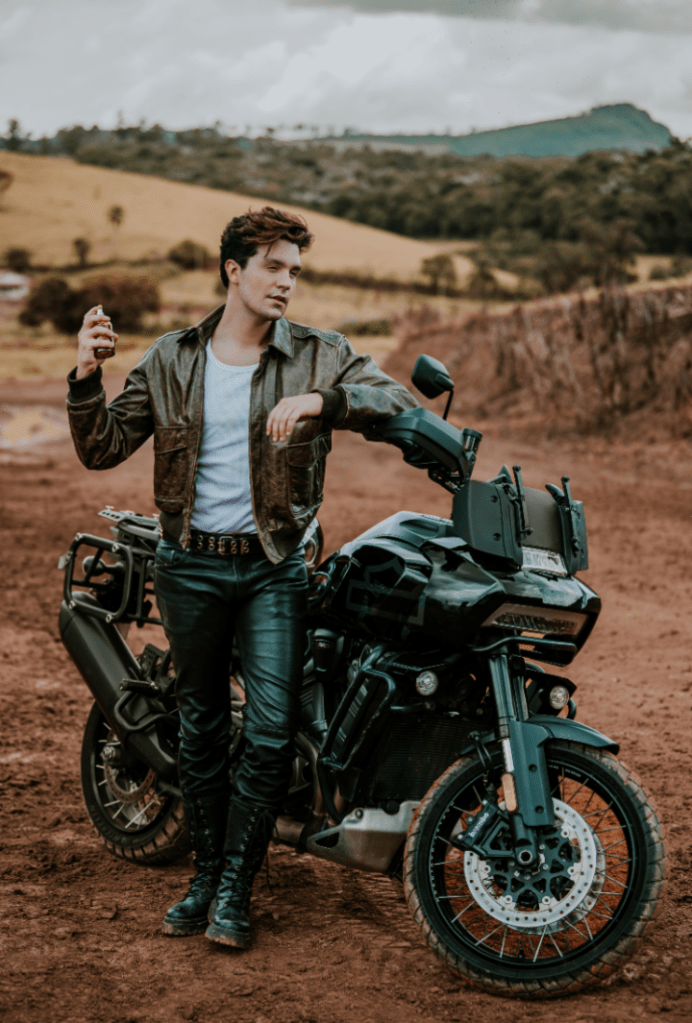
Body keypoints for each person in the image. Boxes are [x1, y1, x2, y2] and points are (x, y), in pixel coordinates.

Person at [66, 206, 417, 949]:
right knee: (201, 726)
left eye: (295, 269)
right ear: (234, 270)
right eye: (273, 266)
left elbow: (395, 401)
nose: (287, 281)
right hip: (189, 565)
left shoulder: (320, 354)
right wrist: (87, 374)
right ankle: (202, 879)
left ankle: (234, 885)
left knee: (269, 730)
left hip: (273, 568)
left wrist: (325, 401)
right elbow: (101, 447)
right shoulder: (171, 359)